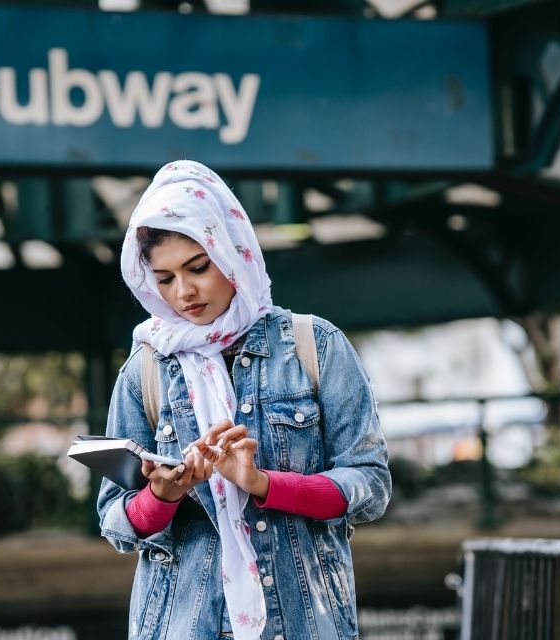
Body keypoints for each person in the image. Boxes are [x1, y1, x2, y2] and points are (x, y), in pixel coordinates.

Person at [97, 160, 391, 640]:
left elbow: (370, 486)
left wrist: (262, 483)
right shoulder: (145, 370)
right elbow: (116, 521)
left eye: (197, 267)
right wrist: (162, 495)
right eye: (165, 278)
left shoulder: (314, 346)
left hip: (303, 624)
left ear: (233, 252)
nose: (184, 292)